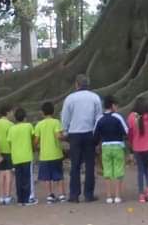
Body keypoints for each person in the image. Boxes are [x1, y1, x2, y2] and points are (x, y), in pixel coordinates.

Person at [61, 74, 103, 203]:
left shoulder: (70, 98)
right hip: (90, 133)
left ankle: (74, 195)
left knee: (75, 165)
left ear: (76, 84)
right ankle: (88, 194)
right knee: (90, 165)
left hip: (75, 134)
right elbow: (98, 117)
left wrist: (65, 130)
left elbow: (65, 117)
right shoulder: (95, 98)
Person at [94, 96, 128, 204]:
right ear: (113, 105)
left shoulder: (100, 118)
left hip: (105, 147)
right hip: (118, 146)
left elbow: (95, 134)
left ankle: (109, 196)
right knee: (118, 170)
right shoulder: (117, 117)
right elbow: (126, 131)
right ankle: (117, 196)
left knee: (107, 171)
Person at [34, 101, 65, 204]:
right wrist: (64, 136)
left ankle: (50, 195)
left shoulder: (39, 124)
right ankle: (61, 195)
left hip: (44, 155)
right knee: (59, 176)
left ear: (42, 112)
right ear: (53, 111)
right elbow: (58, 136)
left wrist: (35, 146)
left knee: (47, 177)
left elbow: (36, 140)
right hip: (56, 153)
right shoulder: (56, 122)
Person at [127, 98, 148, 203]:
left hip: (137, 146)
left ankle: (141, 194)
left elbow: (130, 133)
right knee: (147, 168)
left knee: (140, 170)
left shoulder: (132, 117)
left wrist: (130, 145)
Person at [9, 108, 35, 206]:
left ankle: (20, 199)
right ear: (25, 117)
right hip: (27, 156)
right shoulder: (28, 126)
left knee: (19, 179)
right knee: (27, 178)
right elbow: (33, 137)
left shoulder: (12, 128)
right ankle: (27, 199)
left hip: (16, 157)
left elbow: (10, 142)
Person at [0, 106, 14, 205]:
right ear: (7, 112)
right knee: (8, 172)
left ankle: (2, 196)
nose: (12, 114)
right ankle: (8, 196)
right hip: (9, 151)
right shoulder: (11, 124)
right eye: (11, 112)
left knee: (1, 173)